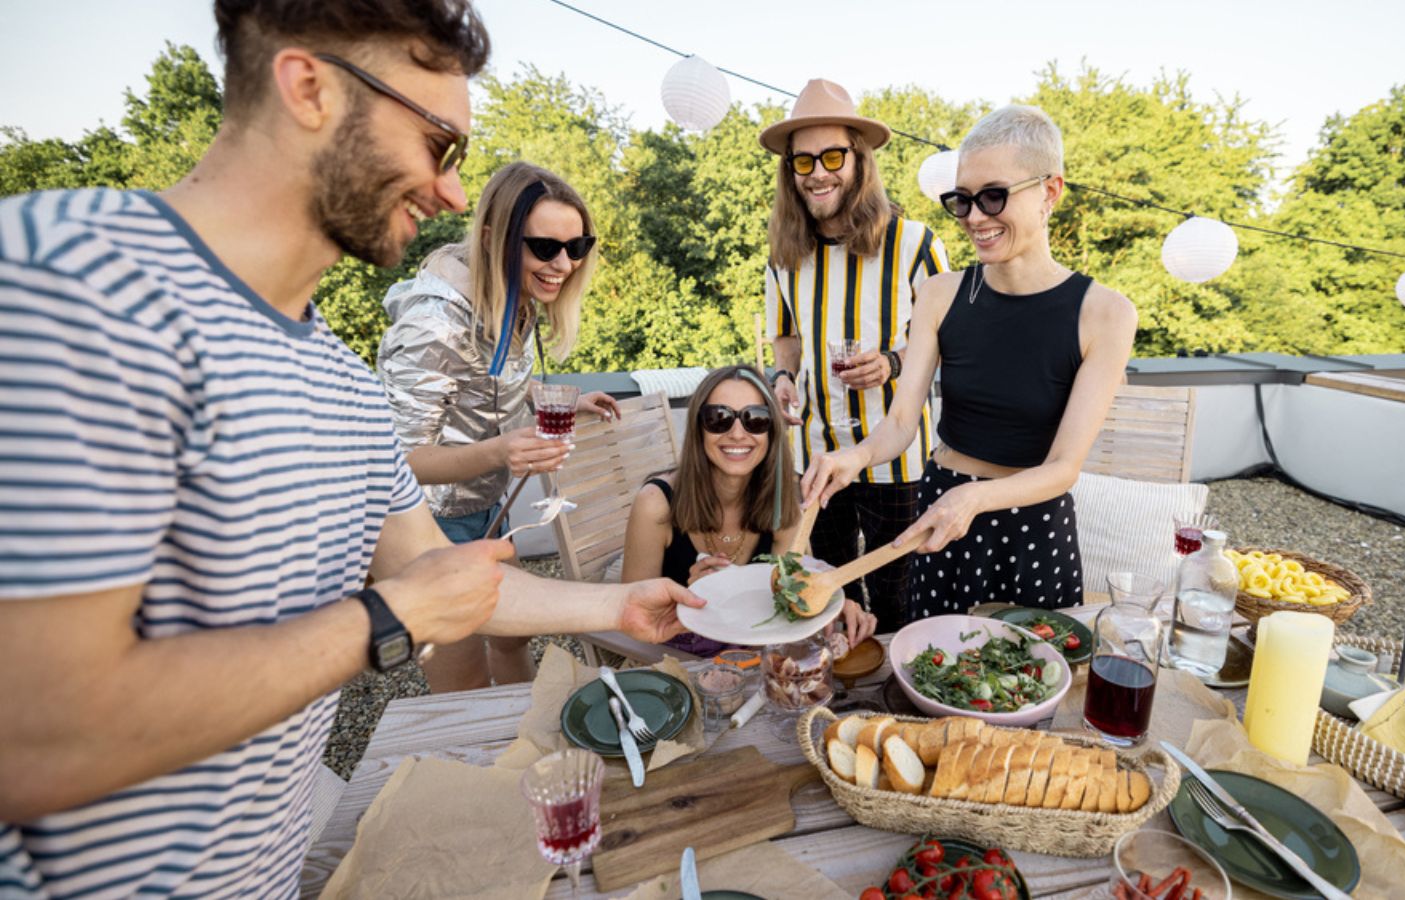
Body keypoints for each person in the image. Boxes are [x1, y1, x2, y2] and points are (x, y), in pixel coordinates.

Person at [0, 2, 701, 896]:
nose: (453, 193)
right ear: (310, 89)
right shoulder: (71, 283)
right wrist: (387, 619)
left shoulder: (334, 374)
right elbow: (35, 739)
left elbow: (439, 574)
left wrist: (620, 607)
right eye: (438, 143)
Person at [802, 105, 1138, 618]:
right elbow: (898, 424)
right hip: (942, 505)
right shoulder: (939, 295)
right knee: (933, 680)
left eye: (993, 196)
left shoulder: (1106, 314)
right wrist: (855, 457)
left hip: (1033, 525)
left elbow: (1063, 468)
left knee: (1027, 685)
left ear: (1050, 190)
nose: (975, 218)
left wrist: (976, 499)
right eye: (962, 201)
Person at [378, 161, 621, 693]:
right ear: (493, 238)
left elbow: (485, 389)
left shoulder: (515, 298)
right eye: (546, 247)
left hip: (484, 507)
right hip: (428, 525)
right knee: (460, 679)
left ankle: (521, 749)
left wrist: (566, 401)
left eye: (577, 248)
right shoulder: (433, 323)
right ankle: (482, 770)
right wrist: (500, 452)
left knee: (511, 639)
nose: (563, 264)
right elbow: (397, 461)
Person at [761, 78, 949, 634]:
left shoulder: (914, 242)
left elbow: (946, 341)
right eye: (803, 161)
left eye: (833, 156)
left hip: (898, 457)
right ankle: (836, 700)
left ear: (859, 162)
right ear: (790, 171)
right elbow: (786, 337)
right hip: (816, 456)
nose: (818, 172)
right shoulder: (783, 252)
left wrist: (892, 361)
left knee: (899, 595)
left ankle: (895, 704)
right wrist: (782, 377)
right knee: (828, 591)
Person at [622, 365, 877, 655]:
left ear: (771, 432)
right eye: (718, 418)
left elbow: (792, 590)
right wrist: (689, 600)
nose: (737, 433)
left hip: (763, 662)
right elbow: (633, 620)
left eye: (755, 419)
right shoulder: (656, 503)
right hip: (679, 663)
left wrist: (834, 604)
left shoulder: (784, 502)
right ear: (698, 428)